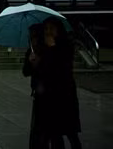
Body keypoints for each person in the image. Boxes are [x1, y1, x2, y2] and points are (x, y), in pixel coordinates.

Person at [40, 16, 82, 149]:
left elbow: (63, 67)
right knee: (54, 133)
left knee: (71, 132)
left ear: (58, 29)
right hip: (50, 94)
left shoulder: (66, 45)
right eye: (46, 29)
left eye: (51, 28)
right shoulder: (43, 47)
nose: (48, 32)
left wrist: (53, 48)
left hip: (65, 94)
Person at [23, 23, 46, 149]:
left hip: (51, 91)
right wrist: (30, 62)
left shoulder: (47, 51)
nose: (32, 39)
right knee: (37, 125)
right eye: (30, 37)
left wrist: (39, 63)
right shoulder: (31, 51)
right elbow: (25, 72)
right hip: (38, 92)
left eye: (34, 36)